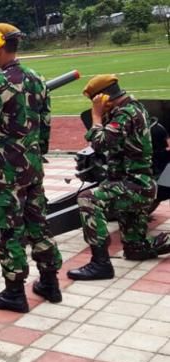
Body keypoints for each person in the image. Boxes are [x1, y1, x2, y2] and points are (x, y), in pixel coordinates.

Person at [0, 23, 62, 313]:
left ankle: (14, 292)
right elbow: (45, 124)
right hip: (32, 166)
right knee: (38, 223)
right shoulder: (37, 78)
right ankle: (49, 282)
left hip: (6, 170)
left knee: (5, 228)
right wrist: (35, 155)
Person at [67, 75, 170, 280]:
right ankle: (146, 246)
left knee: (88, 198)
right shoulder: (135, 107)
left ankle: (100, 264)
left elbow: (100, 143)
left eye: (95, 101)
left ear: (104, 98)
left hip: (134, 186)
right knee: (134, 250)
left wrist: (96, 116)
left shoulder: (125, 114)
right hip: (136, 184)